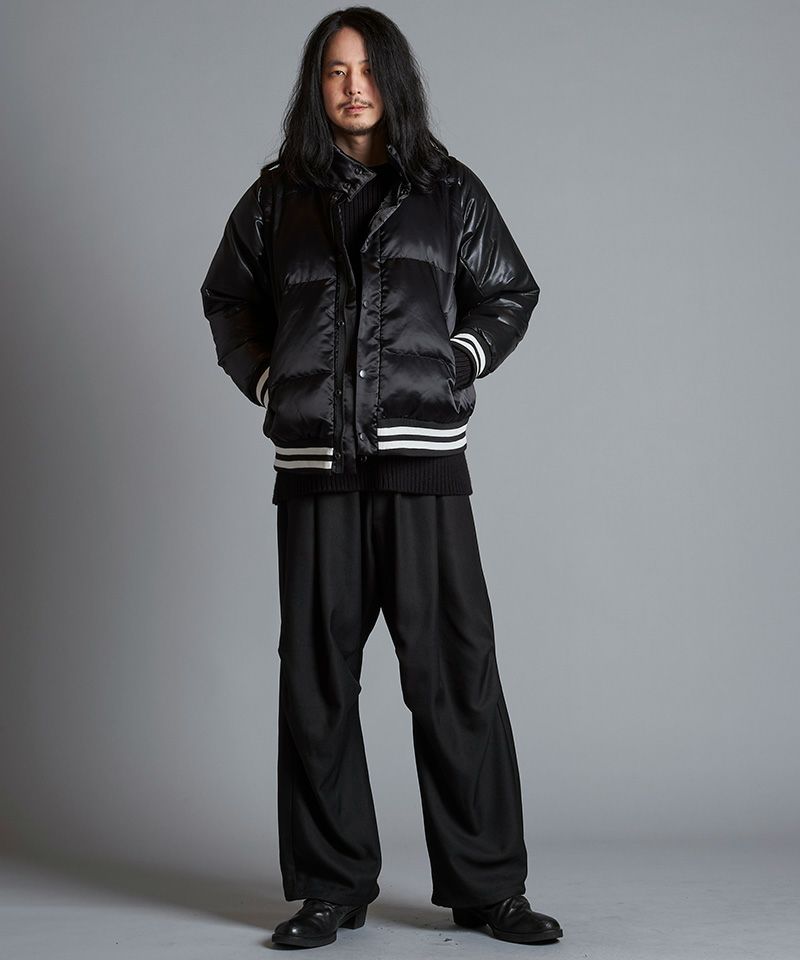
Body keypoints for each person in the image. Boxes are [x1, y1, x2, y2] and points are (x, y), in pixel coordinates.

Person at [200, 6, 563, 950]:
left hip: (422, 464)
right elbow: (227, 297)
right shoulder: (277, 197)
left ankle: (488, 889)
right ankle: (330, 888)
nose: (352, 86)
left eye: (366, 70)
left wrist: (458, 361)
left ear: (392, 80)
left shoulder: (449, 189)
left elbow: (510, 291)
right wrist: (272, 381)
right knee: (318, 679)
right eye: (334, 71)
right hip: (317, 467)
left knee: (455, 674)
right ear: (316, 87)